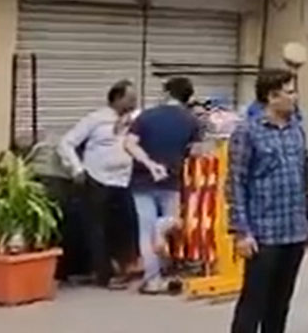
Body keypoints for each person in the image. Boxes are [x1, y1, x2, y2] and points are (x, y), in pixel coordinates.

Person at [228, 69, 308, 333]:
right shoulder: (248, 132)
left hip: (293, 232)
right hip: (263, 235)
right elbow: (235, 182)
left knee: (280, 305)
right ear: (271, 97)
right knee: (253, 303)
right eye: (289, 93)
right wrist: (242, 231)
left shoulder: (296, 131)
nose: (295, 97)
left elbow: (304, 176)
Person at [58, 80, 139, 289]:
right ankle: (105, 275)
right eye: (130, 98)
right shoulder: (96, 119)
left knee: (123, 226)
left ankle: (124, 267)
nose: (134, 102)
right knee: (97, 229)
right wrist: (77, 169)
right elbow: (66, 143)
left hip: (122, 182)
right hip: (97, 180)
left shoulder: (134, 120)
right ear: (117, 98)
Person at [125, 76, 202, 293]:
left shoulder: (146, 116)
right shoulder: (191, 121)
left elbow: (129, 144)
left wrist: (149, 164)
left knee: (145, 231)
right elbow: (195, 152)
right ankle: (163, 228)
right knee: (175, 222)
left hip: (141, 180)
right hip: (171, 180)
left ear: (167, 94)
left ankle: (153, 280)